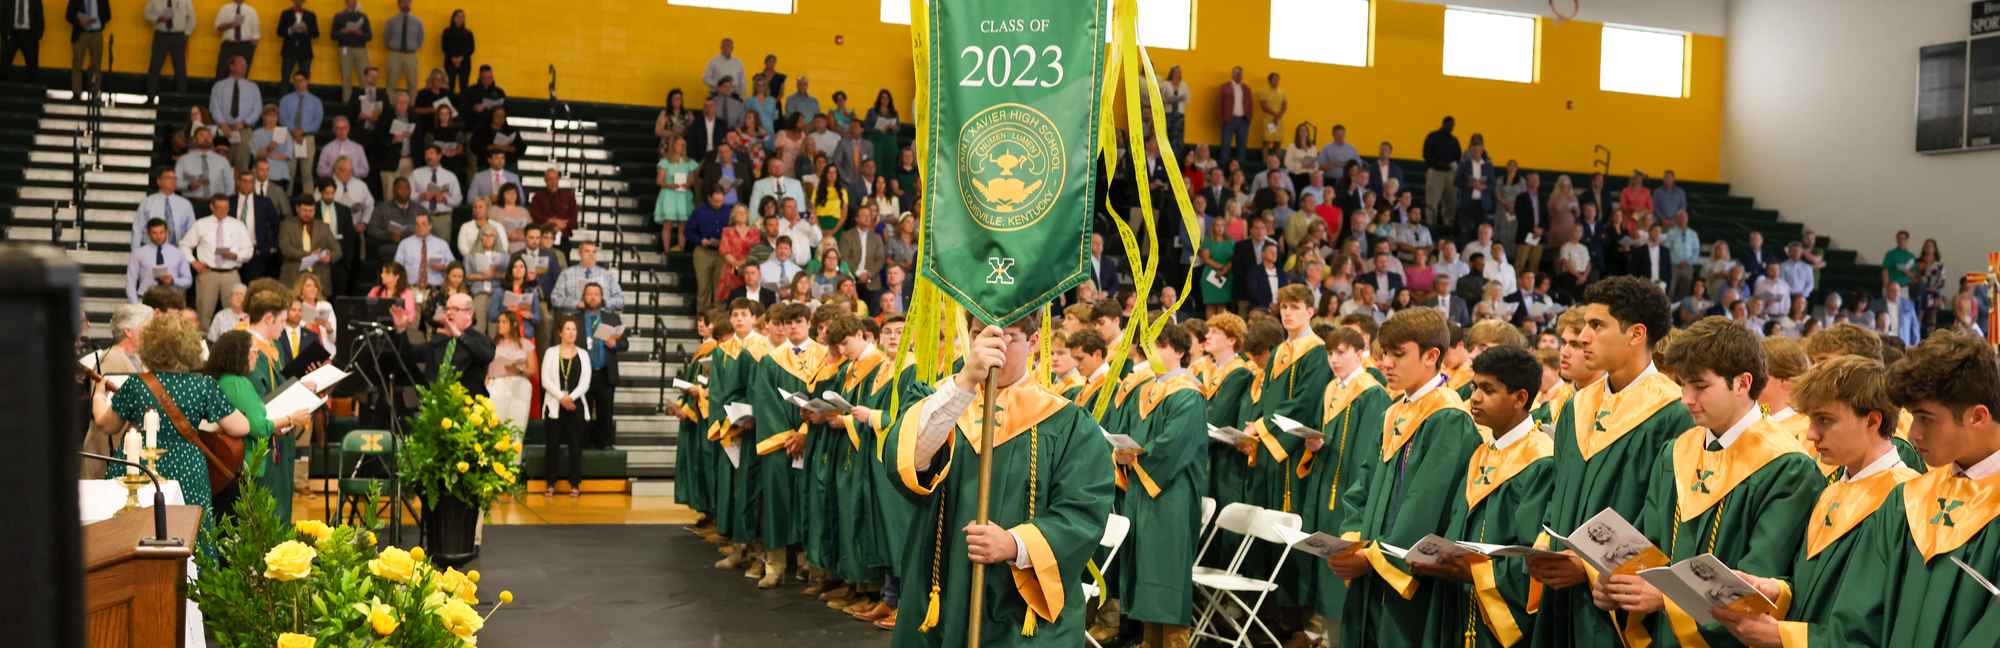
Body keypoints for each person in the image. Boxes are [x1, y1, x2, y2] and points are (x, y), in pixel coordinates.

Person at [880, 308, 1113, 647]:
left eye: (1008, 338)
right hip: (940, 584)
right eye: (980, 335)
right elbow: (906, 462)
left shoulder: (1067, 423)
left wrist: (1016, 544)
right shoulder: (941, 400)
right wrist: (964, 383)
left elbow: (1084, 510)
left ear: (1033, 341)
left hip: (1017, 601)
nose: (991, 348)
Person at [1598, 317, 1824, 646]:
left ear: (1743, 383)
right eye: (1683, 385)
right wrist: (1619, 585)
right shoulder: (1675, 452)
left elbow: (1758, 581)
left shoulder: (1785, 465)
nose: (1686, 399)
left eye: (1700, 386)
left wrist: (1665, 599)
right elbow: (1651, 544)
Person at [1524, 276, 1696, 648]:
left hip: (1616, 601)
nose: (1584, 336)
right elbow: (1559, 494)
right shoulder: (1576, 407)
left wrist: (1586, 568)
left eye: (1596, 325)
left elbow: (1663, 522)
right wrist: (1545, 549)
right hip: (1561, 592)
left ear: (1636, 334)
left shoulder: (1673, 413)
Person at [1322, 307, 1481, 647]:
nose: (1386, 364)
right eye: (1384, 355)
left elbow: (1425, 504)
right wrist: (1352, 540)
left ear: (1431, 355)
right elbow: (1361, 484)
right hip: (1370, 565)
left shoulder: (1448, 417)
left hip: (1408, 578)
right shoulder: (1395, 410)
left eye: (1398, 354)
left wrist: (1373, 557)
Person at [1414, 345, 1556, 648]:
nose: (1474, 397)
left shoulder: (1540, 461)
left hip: (1501, 622)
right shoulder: (1481, 451)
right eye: (1474, 386)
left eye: (1488, 390)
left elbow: (1533, 557)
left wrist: (1477, 573)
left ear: (1520, 398)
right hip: (1460, 603)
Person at [88, 314, 251, 555]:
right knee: (191, 533)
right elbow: (241, 427)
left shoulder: (137, 384)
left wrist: (99, 394)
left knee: (133, 533)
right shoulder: (203, 385)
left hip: (138, 466)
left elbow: (106, 424)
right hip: (188, 468)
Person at [540, 316, 590, 497]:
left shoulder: (583, 354)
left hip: (575, 406)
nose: (571, 332)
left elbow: (585, 382)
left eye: (574, 329)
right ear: (560, 332)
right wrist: (562, 397)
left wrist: (571, 398)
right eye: (567, 329)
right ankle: (551, 483)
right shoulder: (551, 353)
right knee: (552, 445)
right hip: (555, 405)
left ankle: (575, 483)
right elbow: (545, 380)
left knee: (575, 446)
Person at [279, 196, 340, 290]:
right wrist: (310, 255)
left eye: (311, 210)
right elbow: (286, 249)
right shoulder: (286, 225)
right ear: (297, 209)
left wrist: (330, 257)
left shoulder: (323, 226)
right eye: (305, 210)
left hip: (319, 279)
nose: (308, 214)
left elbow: (337, 250)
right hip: (293, 278)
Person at [129, 218, 194, 303]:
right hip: (145, 298)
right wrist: (135, 304)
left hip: (171, 299)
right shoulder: (138, 253)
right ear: (148, 234)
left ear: (167, 232)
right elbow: (131, 281)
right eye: (154, 233)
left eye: (161, 232)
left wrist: (173, 280)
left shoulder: (178, 253)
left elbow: (188, 281)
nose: (158, 236)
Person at [550, 241, 625, 314]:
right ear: (580, 253)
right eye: (587, 251)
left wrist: (604, 303)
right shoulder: (566, 274)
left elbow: (620, 300)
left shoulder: (607, 275)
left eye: (594, 252)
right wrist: (576, 304)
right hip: (574, 319)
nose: (591, 255)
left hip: (601, 318)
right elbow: (555, 298)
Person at [656, 135, 700, 251]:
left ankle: (681, 248)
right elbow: (659, 181)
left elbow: (692, 180)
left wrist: (688, 184)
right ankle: (666, 250)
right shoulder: (665, 162)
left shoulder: (689, 162)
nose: (681, 147)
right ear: (673, 145)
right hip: (669, 195)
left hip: (683, 195)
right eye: (679, 144)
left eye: (683, 145)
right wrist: (670, 185)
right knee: (667, 225)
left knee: (683, 226)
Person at [142, 0, 193, 96]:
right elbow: (146, 14)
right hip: (161, 35)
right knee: (155, 66)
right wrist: (157, 18)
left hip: (179, 35)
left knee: (180, 67)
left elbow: (192, 17)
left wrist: (187, 33)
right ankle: (150, 96)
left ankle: (182, 97)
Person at [393, 212, 454, 289]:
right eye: (417, 224)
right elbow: (396, 267)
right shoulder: (404, 244)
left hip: (436, 289)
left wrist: (443, 268)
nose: (420, 227)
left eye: (423, 224)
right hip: (410, 288)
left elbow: (454, 267)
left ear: (430, 226)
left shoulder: (442, 244)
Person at [410, 144, 463, 221]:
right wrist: (421, 196)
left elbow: (458, 199)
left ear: (439, 156)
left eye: (431, 153)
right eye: (426, 154)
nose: (428, 157)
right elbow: (408, 196)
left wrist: (445, 199)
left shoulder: (450, 176)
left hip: (443, 217)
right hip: (422, 217)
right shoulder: (416, 174)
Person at [530, 168, 578, 237]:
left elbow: (574, 219)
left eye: (555, 179)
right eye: (550, 179)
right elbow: (535, 217)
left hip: (563, 235)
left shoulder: (568, 196)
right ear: (545, 180)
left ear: (558, 179)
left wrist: (562, 224)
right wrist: (552, 221)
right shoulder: (538, 197)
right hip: (544, 235)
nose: (553, 182)